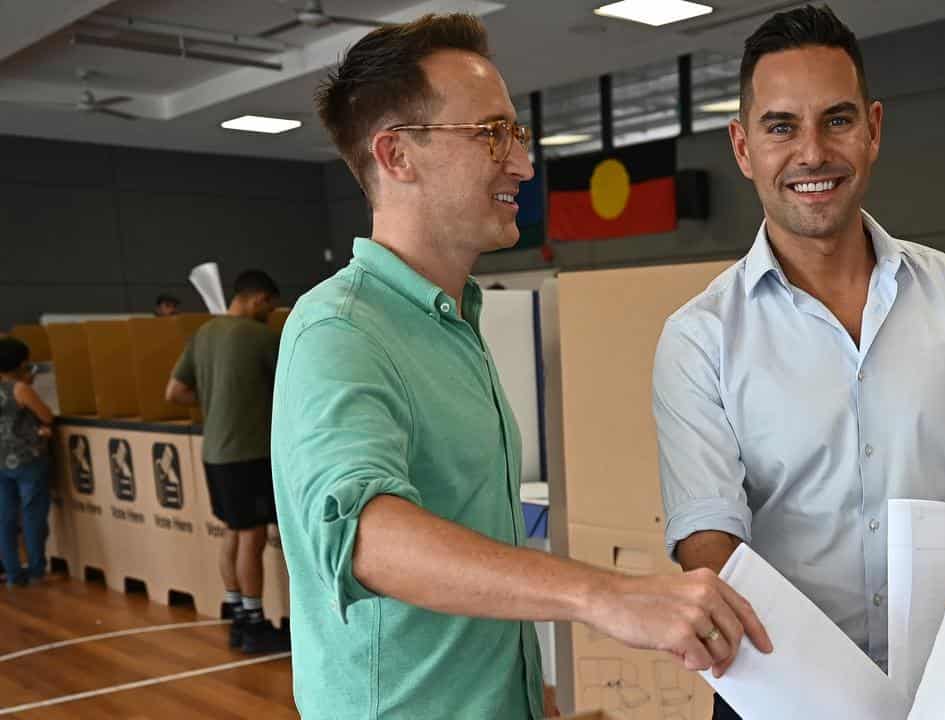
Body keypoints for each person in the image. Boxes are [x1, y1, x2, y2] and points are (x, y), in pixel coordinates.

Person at [272, 14, 770, 720]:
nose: (523, 164)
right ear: (396, 155)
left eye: (517, 133)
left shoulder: (451, 321)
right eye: (490, 134)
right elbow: (366, 537)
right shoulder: (340, 329)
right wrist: (605, 595)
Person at [652, 8, 945, 718]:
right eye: (782, 125)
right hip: (782, 693)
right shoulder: (700, 337)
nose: (812, 152)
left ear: (874, 129)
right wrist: (810, 687)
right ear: (743, 146)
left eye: (837, 120)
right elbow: (708, 534)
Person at [165, 270, 289, 654]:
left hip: (215, 452)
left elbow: (175, 393)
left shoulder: (202, 334)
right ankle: (256, 625)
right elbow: (295, 385)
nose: (270, 313)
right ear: (259, 299)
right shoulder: (262, 337)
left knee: (232, 533)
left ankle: (236, 614)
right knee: (252, 537)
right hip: (249, 453)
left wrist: (217, 404)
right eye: (270, 305)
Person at [0, 337, 54, 588]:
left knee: (6, 518)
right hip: (28, 460)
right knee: (32, 516)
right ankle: (35, 571)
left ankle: (12, 573)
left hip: (1, 462)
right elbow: (46, 415)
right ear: (22, 363)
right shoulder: (20, 389)